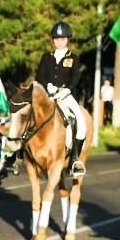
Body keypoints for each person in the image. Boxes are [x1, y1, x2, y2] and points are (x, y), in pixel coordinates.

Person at [36, 21, 87, 177]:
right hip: (48, 95)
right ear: (53, 40)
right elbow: (39, 76)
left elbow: (76, 75)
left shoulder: (73, 58)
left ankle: (74, 160)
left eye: (63, 39)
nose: (59, 42)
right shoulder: (46, 57)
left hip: (66, 95)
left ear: (68, 39)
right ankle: (20, 151)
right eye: (57, 39)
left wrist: (67, 89)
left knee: (80, 120)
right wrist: (47, 86)